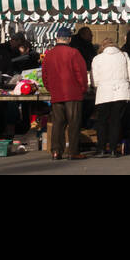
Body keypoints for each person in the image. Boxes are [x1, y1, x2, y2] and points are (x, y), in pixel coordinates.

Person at [41, 26, 88, 160]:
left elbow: (44, 75)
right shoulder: (74, 53)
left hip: (57, 92)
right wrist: (83, 88)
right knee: (73, 123)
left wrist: (51, 88)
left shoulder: (49, 54)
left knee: (58, 123)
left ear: (57, 38)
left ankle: (56, 151)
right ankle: (72, 151)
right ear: (69, 39)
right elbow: (81, 74)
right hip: (73, 92)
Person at [91, 38, 130, 158]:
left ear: (102, 47)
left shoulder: (97, 58)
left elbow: (95, 80)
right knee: (116, 121)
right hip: (121, 92)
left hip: (104, 92)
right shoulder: (124, 55)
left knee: (102, 121)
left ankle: (101, 149)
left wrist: (97, 85)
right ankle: (114, 149)